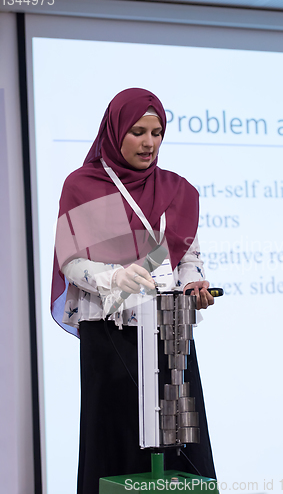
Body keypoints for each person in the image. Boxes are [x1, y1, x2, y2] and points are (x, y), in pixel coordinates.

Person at [51, 88, 216, 494]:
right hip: (109, 332)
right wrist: (113, 277)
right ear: (115, 131)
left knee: (182, 443)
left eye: (157, 132)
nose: (149, 142)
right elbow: (70, 261)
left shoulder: (178, 189)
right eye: (138, 131)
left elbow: (187, 255)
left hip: (168, 331)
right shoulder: (84, 185)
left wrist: (194, 281)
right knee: (114, 443)